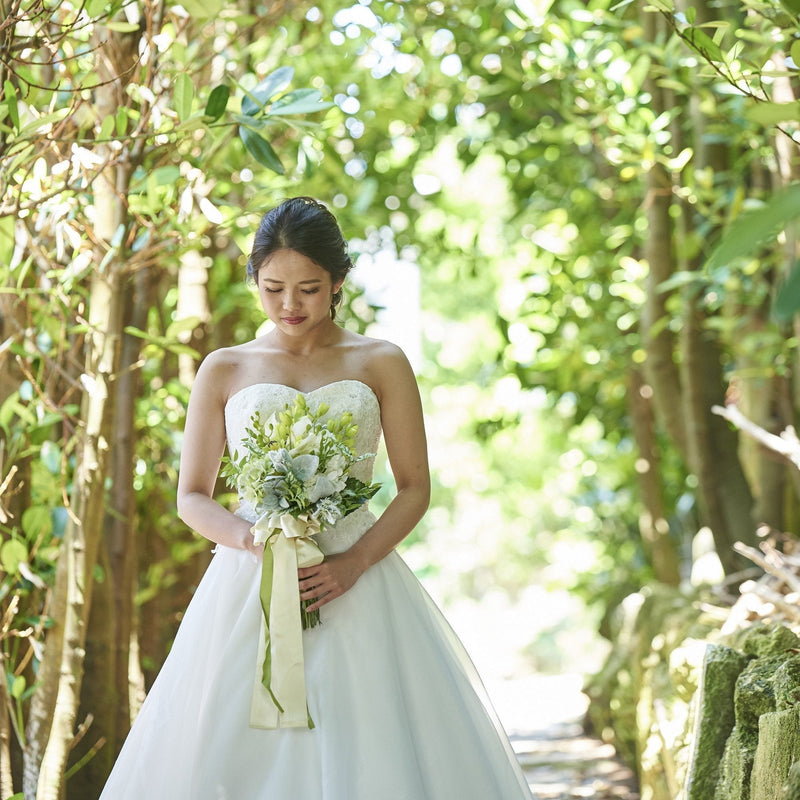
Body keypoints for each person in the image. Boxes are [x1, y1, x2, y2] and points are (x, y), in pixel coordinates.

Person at [99, 196, 534, 799]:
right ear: (254, 278)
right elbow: (192, 497)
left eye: (308, 289)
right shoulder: (224, 369)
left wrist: (354, 562)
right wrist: (256, 538)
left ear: (337, 283)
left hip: (358, 574)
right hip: (250, 576)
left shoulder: (381, 362)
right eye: (273, 287)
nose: (289, 305)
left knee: (369, 734)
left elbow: (414, 488)